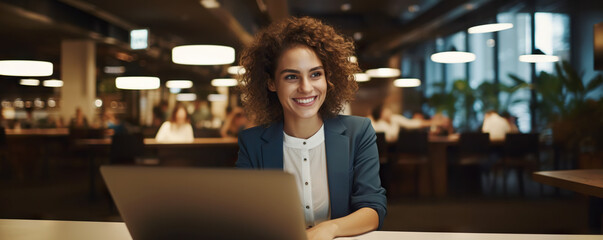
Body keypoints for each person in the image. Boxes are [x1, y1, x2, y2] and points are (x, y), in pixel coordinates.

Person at [236, 17, 386, 240]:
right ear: (271, 83)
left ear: (328, 78)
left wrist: (329, 228)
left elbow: (373, 210)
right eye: (291, 77)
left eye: (316, 74)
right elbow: (244, 214)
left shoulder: (359, 132)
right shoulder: (252, 143)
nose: (306, 88)